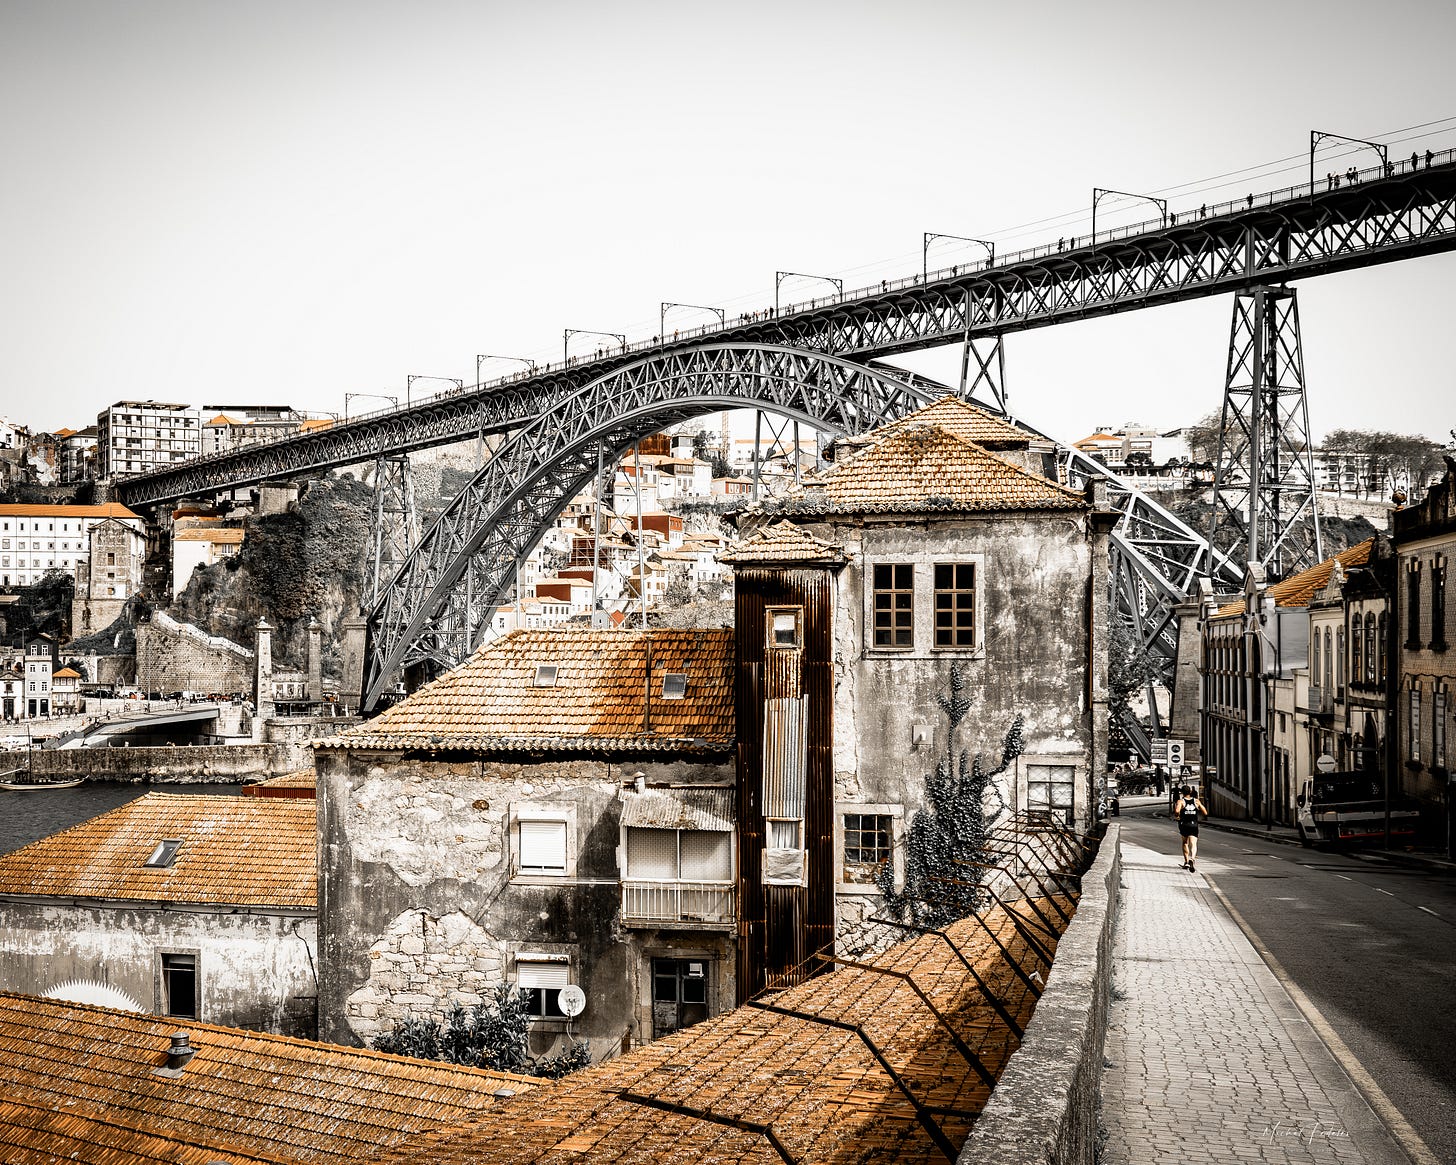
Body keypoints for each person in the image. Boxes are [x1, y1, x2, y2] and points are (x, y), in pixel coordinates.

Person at [1174, 785, 1208, 871]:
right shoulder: (1196, 801)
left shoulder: (1181, 801)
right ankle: (1192, 859)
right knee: (1193, 843)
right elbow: (1205, 812)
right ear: (1190, 792)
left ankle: (1186, 861)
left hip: (1184, 824)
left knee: (1185, 843)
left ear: (1182, 792)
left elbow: (1177, 811)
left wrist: (1177, 816)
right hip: (1194, 824)